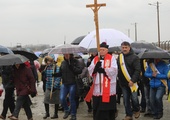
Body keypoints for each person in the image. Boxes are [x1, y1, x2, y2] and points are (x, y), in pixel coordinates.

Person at [87, 42, 118, 120]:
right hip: (98, 85)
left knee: (106, 107)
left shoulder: (111, 58)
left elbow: (114, 69)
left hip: (108, 86)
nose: (101, 51)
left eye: (103, 50)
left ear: (107, 50)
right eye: (100, 50)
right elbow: (90, 70)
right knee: (98, 106)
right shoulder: (95, 59)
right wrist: (96, 68)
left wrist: (104, 70)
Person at [117, 41, 141, 120]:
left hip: (132, 82)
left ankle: (137, 109)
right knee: (126, 100)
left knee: (134, 99)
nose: (124, 49)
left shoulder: (135, 57)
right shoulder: (120, 57)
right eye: (123, 47)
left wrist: (132, 80)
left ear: (129, 47)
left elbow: (137, 70)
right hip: (123, 83)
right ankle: (129, 115)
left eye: (126, 47)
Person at [56, 54, 82, 120]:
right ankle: (67, 110)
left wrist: (72, 67)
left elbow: (79, 71)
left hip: (73, 83)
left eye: (67, 54)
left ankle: (73, 115)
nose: (66, 55)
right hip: (65, 83)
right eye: (65, 54)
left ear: (70, 54)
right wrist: (55, 74)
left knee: (71, 99)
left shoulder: (75, 61)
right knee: (62, 98)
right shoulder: (63, 62)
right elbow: (61, 72)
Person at [42, 55, 61, 119]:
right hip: (48, 86)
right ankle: (47, 113)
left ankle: (56, 114)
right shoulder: (46, 68)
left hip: (56, 87)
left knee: (56, 101)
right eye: (46, 61)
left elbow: (59, 77)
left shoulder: (56, 67)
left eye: (49, 61)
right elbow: (45, 77)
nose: (48, 62)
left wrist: (55, 85)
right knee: (46, 100)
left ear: (51, 61)